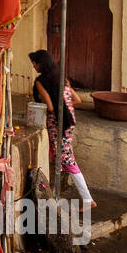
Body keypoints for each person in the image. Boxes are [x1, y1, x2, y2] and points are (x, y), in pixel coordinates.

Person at [28, 49, 94, 209]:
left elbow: (49, 107)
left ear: (40, 64)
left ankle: (87, 200)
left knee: (67, 160)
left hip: (57, 124)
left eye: (34, 63)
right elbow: (77, 100)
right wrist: (65, 106)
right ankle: (48, 190)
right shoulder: (61, 79)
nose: (34, 66)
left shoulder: (41, 81)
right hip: (69, 122)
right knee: (58, 156)